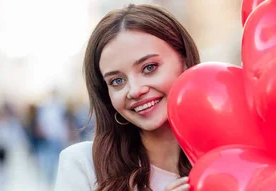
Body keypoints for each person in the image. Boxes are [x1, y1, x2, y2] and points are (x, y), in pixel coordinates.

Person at [54, 4, 200, 191]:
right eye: (117, 81)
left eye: (149, 67)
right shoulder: (84, 166)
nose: (134, 90)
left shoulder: (231, 155)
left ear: (185, 61)